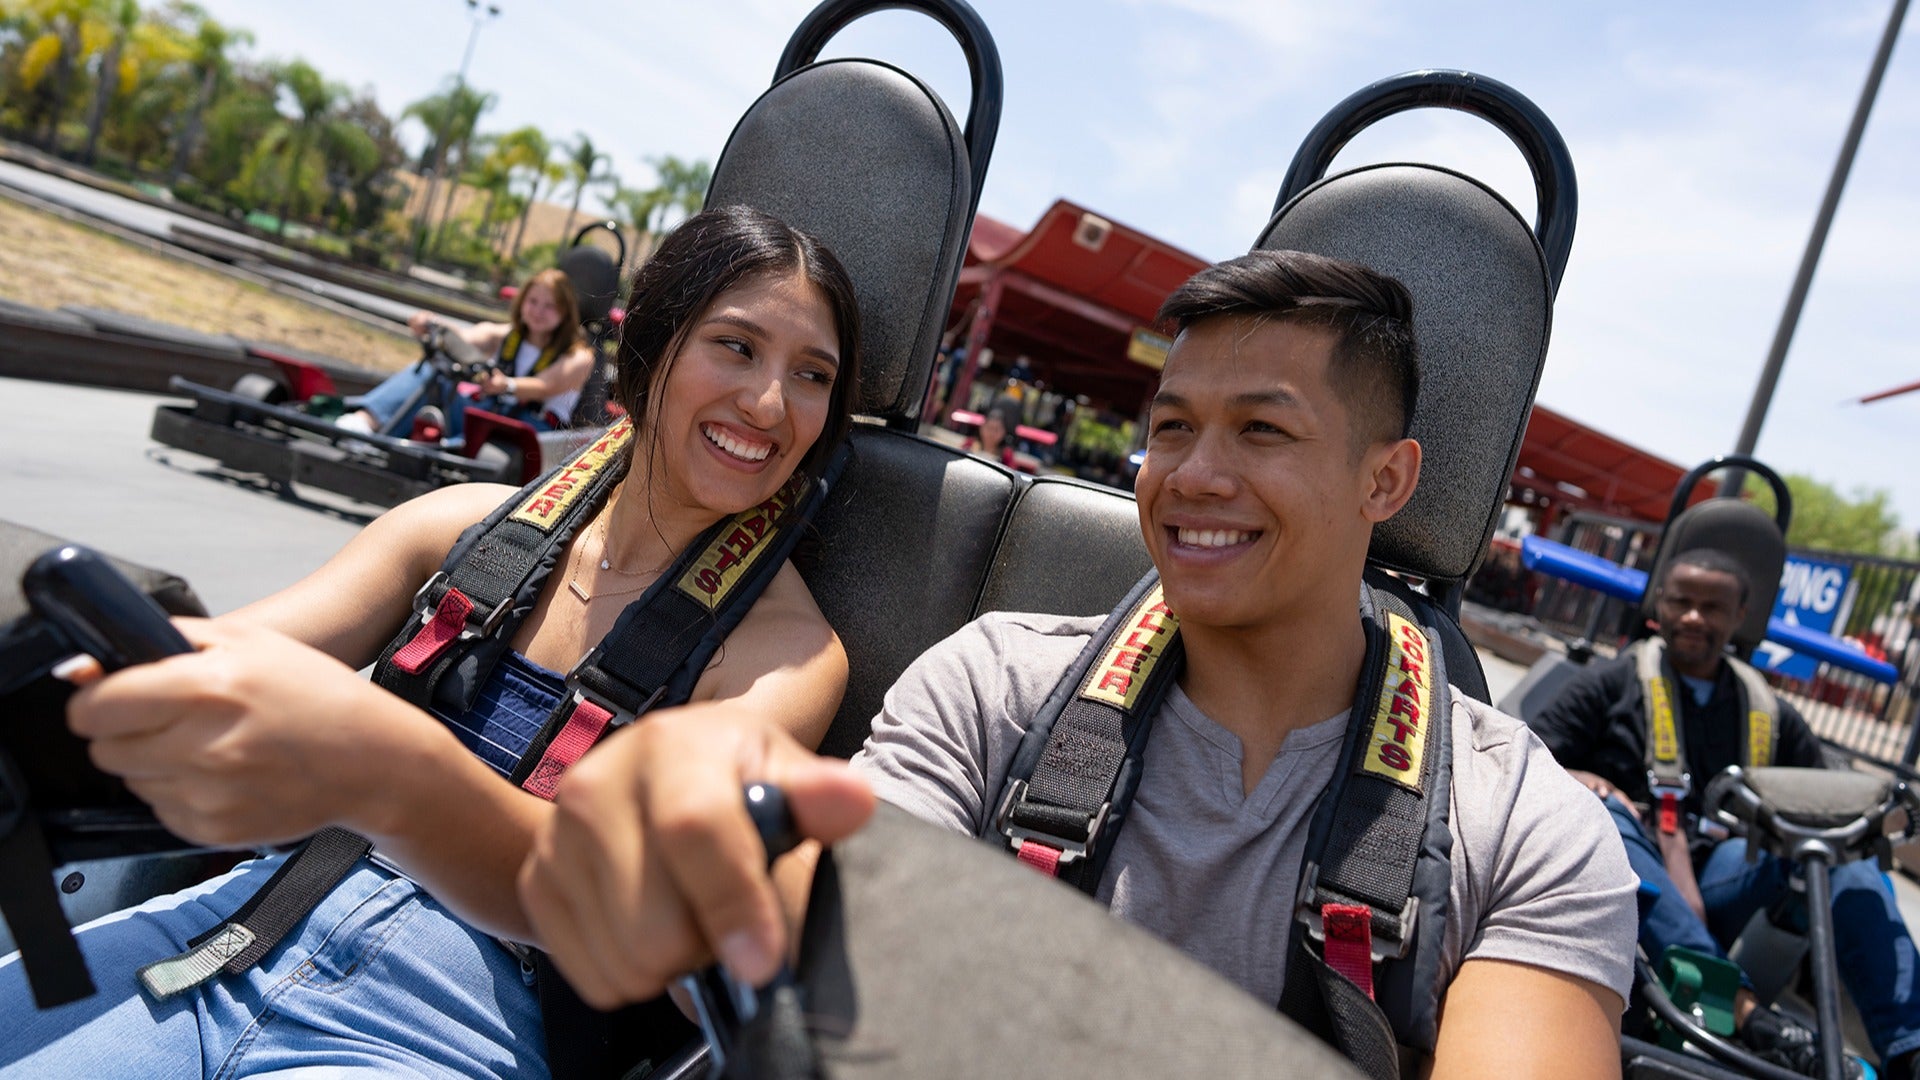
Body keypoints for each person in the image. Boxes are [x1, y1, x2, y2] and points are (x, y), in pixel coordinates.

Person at [517, 250, 1639, 1077]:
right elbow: (834, 968)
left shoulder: (1523, 828)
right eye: (1172, 427)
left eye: (1262, 432)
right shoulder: (996, 687)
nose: (1193, 474)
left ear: (1386, 482)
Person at [0, 205, 863, 1078]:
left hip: (443, 1035)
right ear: (647, 346)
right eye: (737, 347)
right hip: (232, 934)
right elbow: (216, 657)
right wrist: (72, 674)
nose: (767, 404)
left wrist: (380, 764)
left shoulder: (784, 659)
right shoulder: (460, 529)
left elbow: (633, 888)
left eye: (813, 375)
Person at [1530, 549, 1920, 1078]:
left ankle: (1909, 1047)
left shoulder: (1768, 709)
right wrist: (1584, 780)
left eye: (1712, 608)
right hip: (1633, 877)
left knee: (1841, 853)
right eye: (1683, 603)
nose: (1694, 617)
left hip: (1725, 875)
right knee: (1602, 815)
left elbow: (1827, 796)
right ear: (1661, 605)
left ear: (1739, 617)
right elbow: (1527, 755)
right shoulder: (1610, 684)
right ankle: (1744, 1011)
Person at [337, 267, 597, 439]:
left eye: (549, 306)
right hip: (489, 416)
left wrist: (504, 385)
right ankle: (367, 424)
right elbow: (465, 338)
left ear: (565, 313)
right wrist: (433, 326)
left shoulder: (578, 356)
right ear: (522, 303)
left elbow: (543, 386)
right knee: (435, 372)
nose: (538, 312)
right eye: (533, 302)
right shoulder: (505, 335)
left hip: (530, 433)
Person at [960, 401, 1019, 467]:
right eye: (989, 428)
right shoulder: (969, 444)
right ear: (981, 428)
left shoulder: (1006, 455)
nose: (992, 433)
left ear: (1004, 433)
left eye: (996, 430)